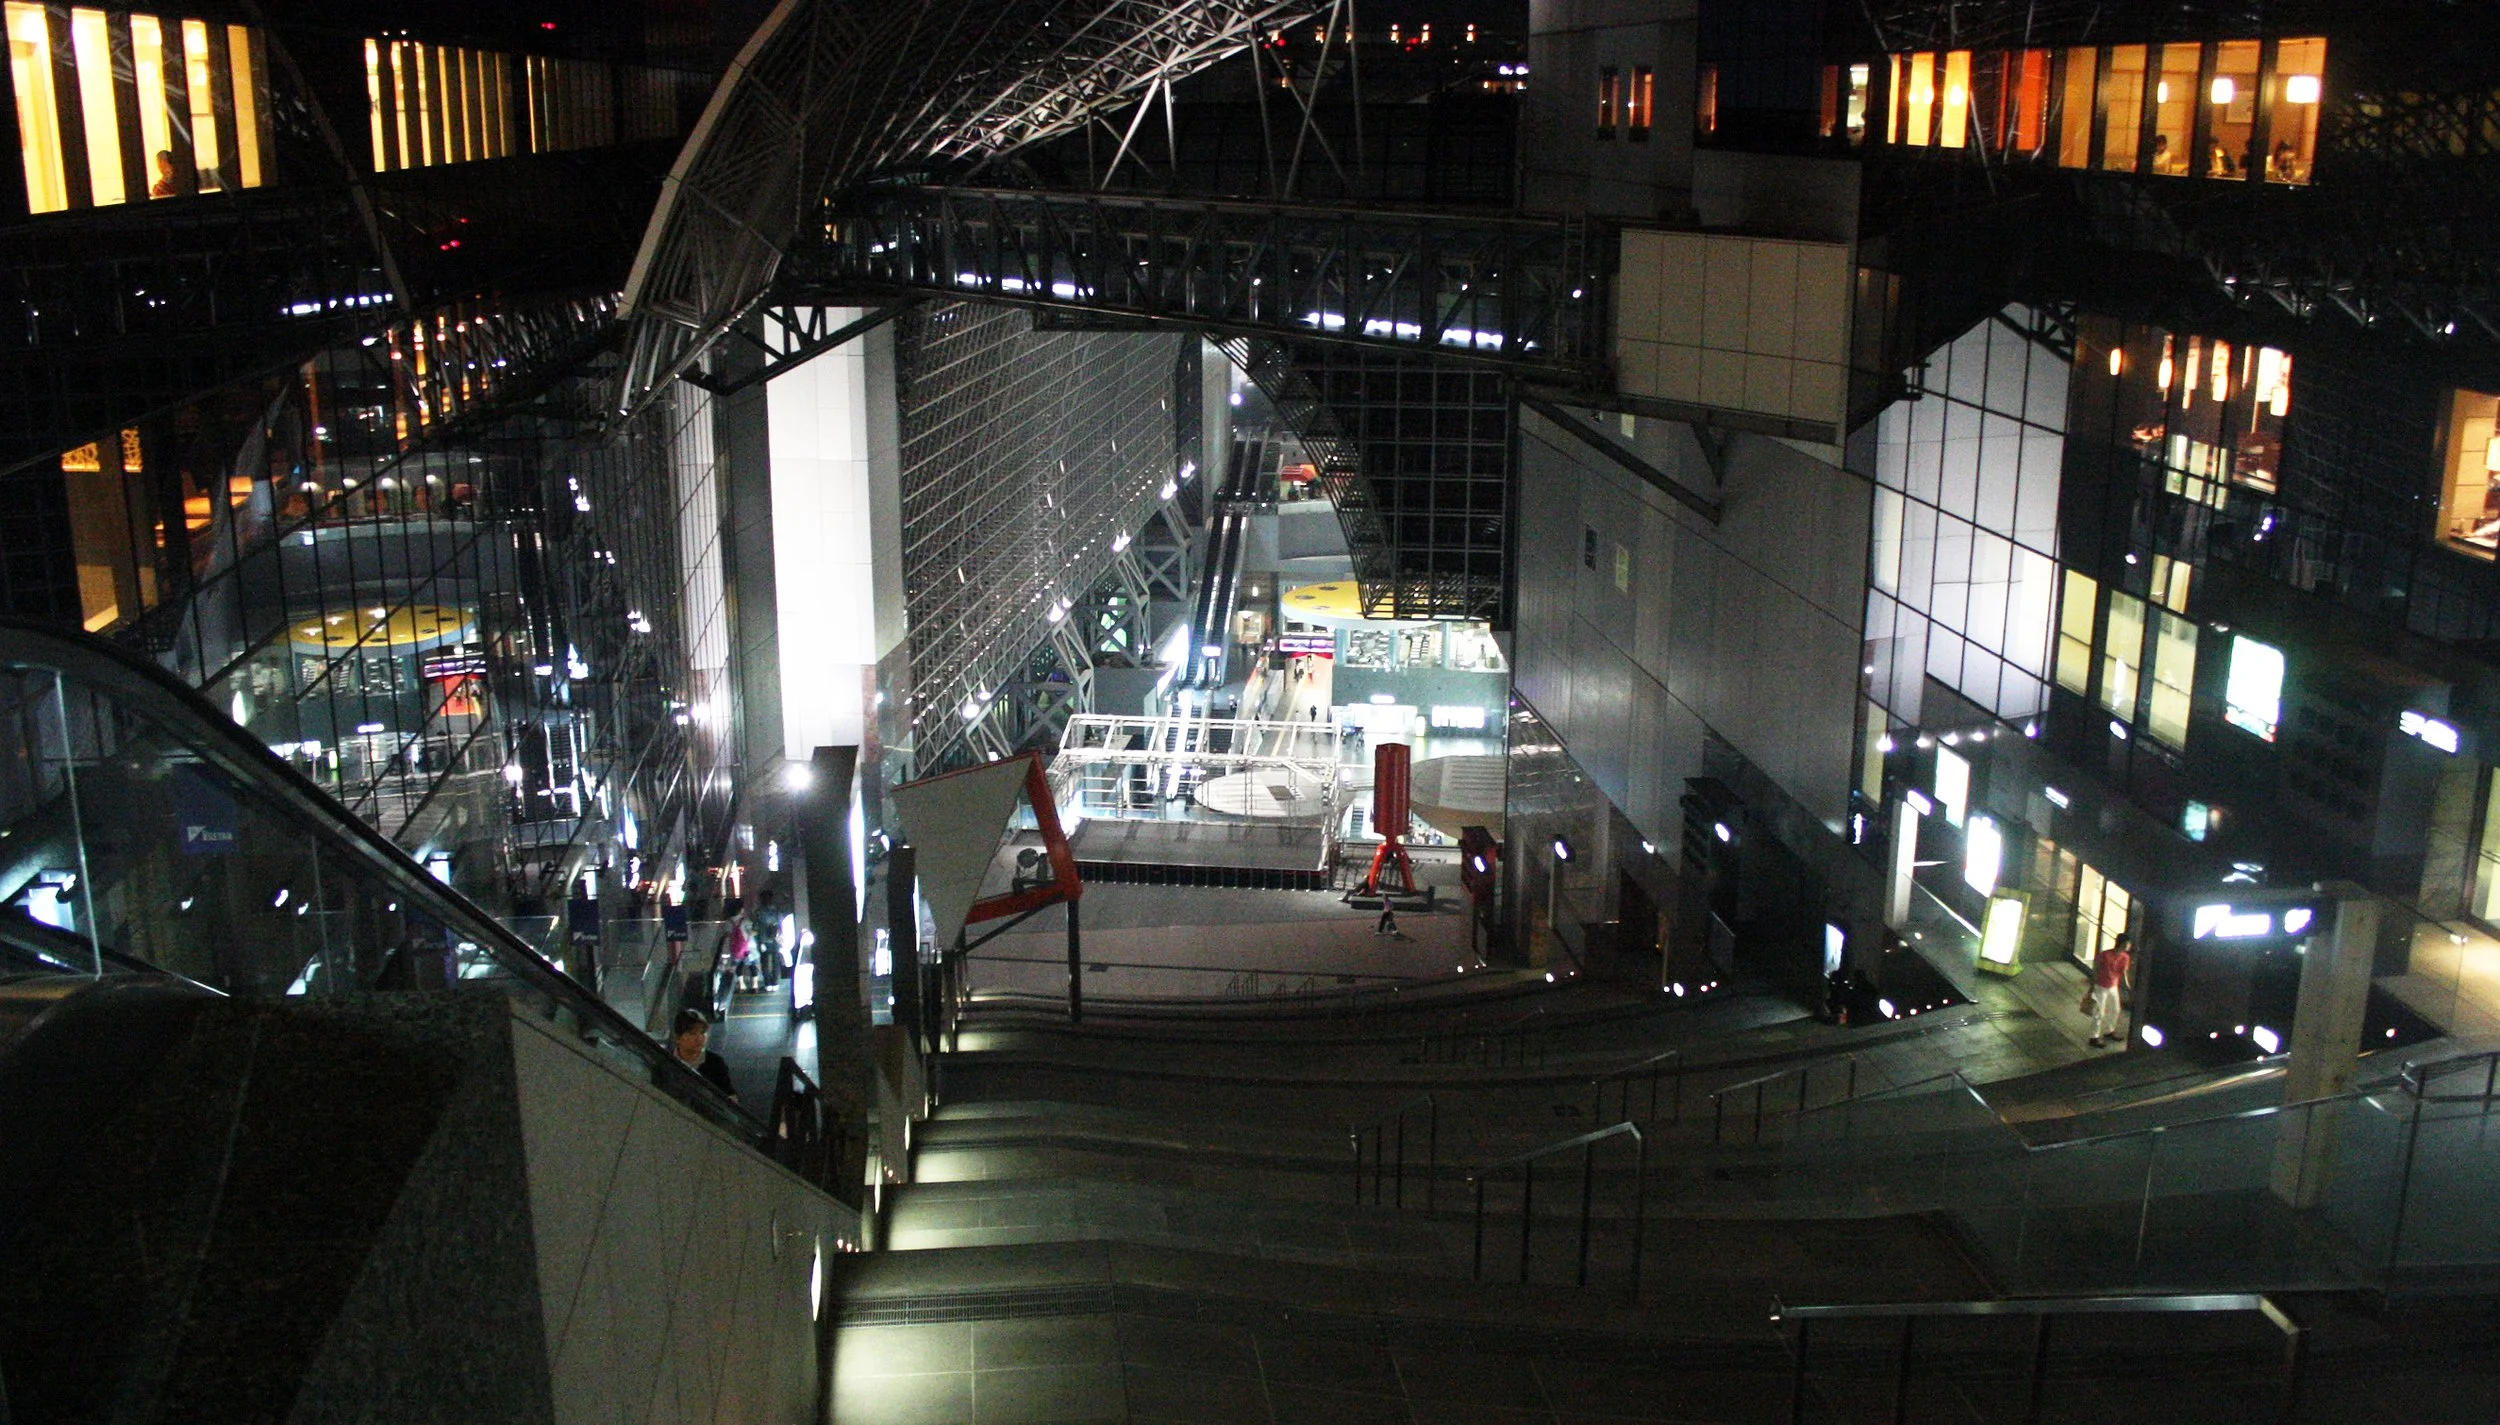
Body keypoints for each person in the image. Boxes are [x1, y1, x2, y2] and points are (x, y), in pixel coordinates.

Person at [664, 1008, 739, 1101]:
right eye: (692, 1033)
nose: (699, 1038)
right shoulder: (665, 1060)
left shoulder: (715, 1063)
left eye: (702, 1033)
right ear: (678, 1038)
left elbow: (729, 1095)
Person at [2086, 933, 2134, 1047]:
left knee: (2115, 1009)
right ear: (2123, 944)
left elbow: (2123, 972)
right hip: (2101, 986)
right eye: (2128, 943)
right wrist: (2092, 986)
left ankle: (2109, 1030)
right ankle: (2094, 1037)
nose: (2130, 946)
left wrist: (2127, 986)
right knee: (2099, 1012)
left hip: (2113, 986)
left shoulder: (2125, 957)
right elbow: (2096, 970)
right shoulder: (2105, 955)